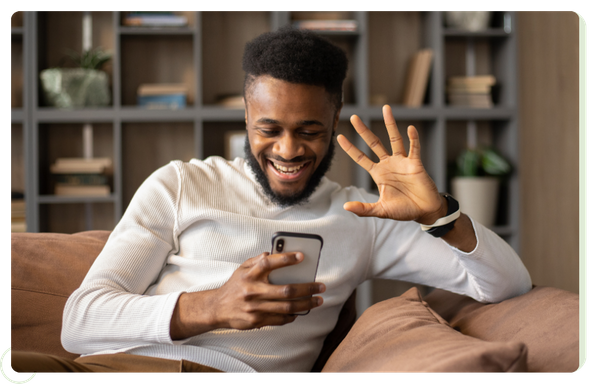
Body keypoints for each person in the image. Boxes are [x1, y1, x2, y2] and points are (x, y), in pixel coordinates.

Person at [11, 26, 531, 375]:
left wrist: (439, 213)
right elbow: (81, 323)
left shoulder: (362, 217)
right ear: (245, 115)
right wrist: (209, 307)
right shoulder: (180, 184)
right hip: (114, 368)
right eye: (269, 129)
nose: (287, 151)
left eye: (309, 130)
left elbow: (508, 284)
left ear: (335, 117)